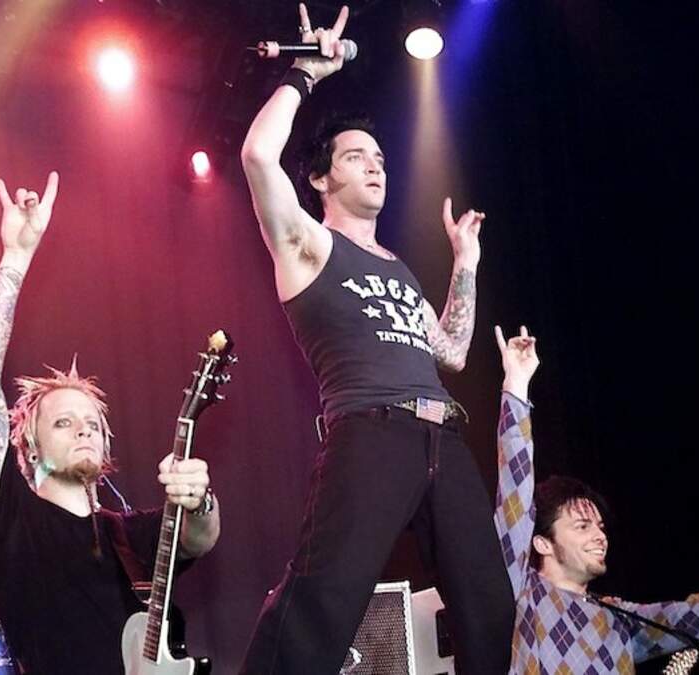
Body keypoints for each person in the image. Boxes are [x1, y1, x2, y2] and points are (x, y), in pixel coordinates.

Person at [238, 5, 512, 673]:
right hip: (370, 430)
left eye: (381, 158)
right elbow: (256, 155)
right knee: (323, 601)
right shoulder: (309, 246)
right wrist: (306, 74)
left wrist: (465, 264)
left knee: (490, 608)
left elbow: (451, 352)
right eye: (356, 157)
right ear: (320, 177)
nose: (376, 167)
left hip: (442, 438)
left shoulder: (399, 269)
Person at [0, 172, 220, 673]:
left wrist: (200, 499)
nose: (83, 429)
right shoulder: (12, 521)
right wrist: (16, 257)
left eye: (92, 423)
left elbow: (198, 538)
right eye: (63, 423)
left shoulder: (132, 535)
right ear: (29, 447)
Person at [492, 325, 699, 674]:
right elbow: (515, 497)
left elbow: (691, 617)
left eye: (600, 526)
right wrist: (516, 385)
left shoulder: (616, 619)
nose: (599, 536)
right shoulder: (523, 593)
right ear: (542, 543)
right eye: (581, 526)